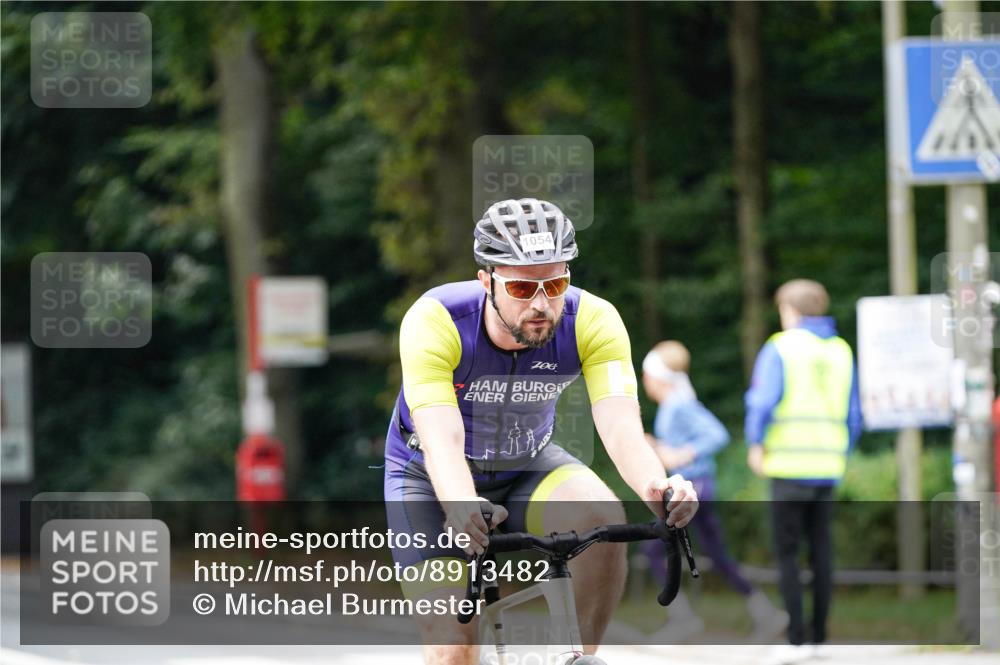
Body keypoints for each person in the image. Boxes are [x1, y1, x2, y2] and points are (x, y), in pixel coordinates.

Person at [383, 198, 699, 665]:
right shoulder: (437, 319)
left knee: (600, 516)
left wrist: (657, 484)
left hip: (527, 463)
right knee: (452, 647)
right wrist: (460, 503)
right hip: (427, 477)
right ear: (486, 281)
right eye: (521, 287)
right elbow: (440, 438)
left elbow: (620, 426)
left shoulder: (593, 320)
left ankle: (575, 658)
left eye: (555, 285)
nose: (540, 303)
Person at [745, 279, 861, 665]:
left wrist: (756, 443)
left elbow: (763, 401)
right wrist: (841, 452)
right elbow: (853, 413)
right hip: (828, 465)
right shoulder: (841, 350)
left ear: (791, 310)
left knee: (788, 554)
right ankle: (820, 637)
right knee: (822, 551)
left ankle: (797, 640)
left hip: (789, 465)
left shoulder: (782, 346)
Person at [640, 340, 788, 643]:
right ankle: (766, 613)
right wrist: (660, 447)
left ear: (657, 377)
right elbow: (679, 446)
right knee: (718, 555)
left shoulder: (678, 404)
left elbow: (717, 434)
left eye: (645, 375)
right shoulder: (677, 403)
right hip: (699, 485)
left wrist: (683, 454)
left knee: (654, 549)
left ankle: (683, 619)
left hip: (692, 487)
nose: (644, 382)